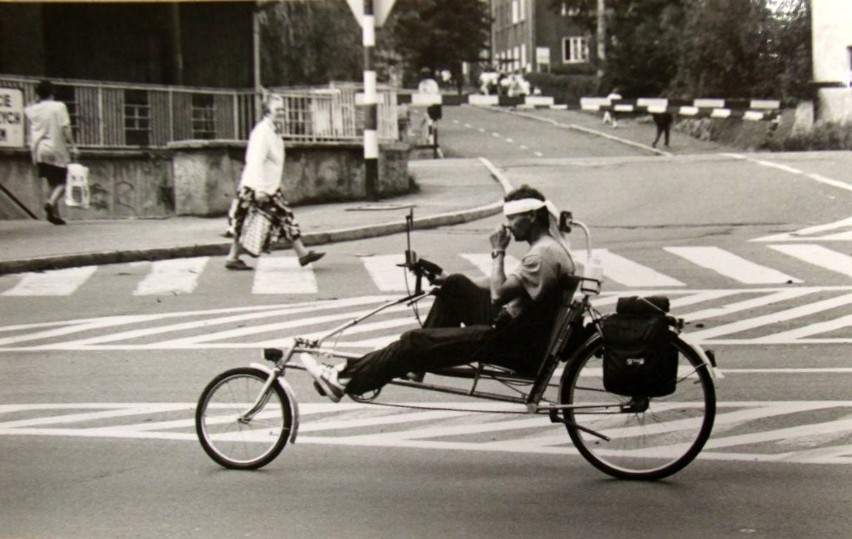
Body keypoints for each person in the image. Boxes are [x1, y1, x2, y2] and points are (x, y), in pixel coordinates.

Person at [302, 185, 576, 402]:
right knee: (455, 284)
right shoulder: (548, 248)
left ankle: (344, 380)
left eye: (512, 219)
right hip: (519, 331)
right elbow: (508, 287)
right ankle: (416, 364)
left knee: (413, 341)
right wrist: (445, 280)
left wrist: (498, 251)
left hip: (512, 343)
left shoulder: (540, 256)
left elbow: (498, 294)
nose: (507, 226)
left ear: (530, 216)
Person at [224, 93, 324, 270]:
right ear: (267, 111)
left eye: (283, 109)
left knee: (284, 219)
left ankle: (303, 254)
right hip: (256, 188)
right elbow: (255, 161)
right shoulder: (262, 132)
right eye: (278, 109)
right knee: (245, 224)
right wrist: (260, 190)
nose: (282, 113)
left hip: (270, 188)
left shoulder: (273, 132)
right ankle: (232, 257)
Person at [24, 80, 78, 225]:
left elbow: (32, 110)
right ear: (52, 92)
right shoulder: (59, 107)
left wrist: (37, 99)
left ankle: (54, 215)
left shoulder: (31, 109)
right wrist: (73, 146)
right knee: (64, 181)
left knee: (52, 182)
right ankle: (50, 203)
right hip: (55, 148)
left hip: (39, 149)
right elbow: (66, 128)